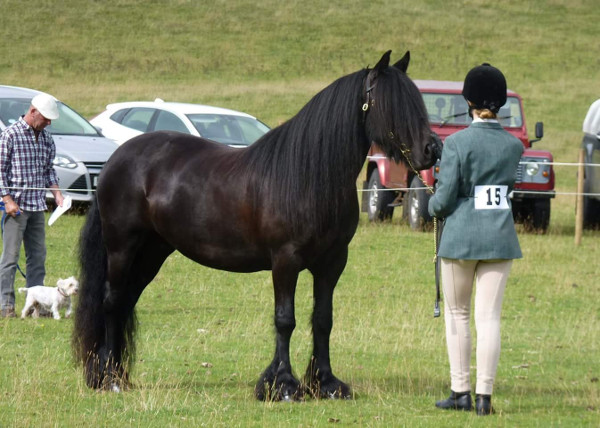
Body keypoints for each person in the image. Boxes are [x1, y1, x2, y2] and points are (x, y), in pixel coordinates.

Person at [428, 63, 523, 415]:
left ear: (468, 100)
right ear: (500, 102)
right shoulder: (513, 147)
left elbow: (446, 197)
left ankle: (460, 392)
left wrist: (431, 205)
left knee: (457, 314)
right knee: (490, 318)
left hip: (461, 239)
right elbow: (506, 189)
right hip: (500, 238)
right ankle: (484, 398)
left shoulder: (456, 143)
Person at [0, 93, 65, 318]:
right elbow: (0, 171)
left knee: (37, 257)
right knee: (10, 258)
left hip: (37, 206)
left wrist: (57, 194)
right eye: (46, 118)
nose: (49, 122)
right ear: (33, 111)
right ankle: (6, 306)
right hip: (16, 208)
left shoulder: (47, 138)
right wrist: (7, 200)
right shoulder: (10, 135)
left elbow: (49, 169)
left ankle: (38, 306)